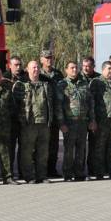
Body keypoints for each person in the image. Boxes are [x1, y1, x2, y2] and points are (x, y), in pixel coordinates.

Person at [14, 60, 54, 183]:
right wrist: (20, 121)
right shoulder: (21, 85)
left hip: (43, 124)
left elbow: (50, 103)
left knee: (43, 152)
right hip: (28, 124)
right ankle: (28, 176)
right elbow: (14, 104)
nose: (36, 69)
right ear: (28, 69)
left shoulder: (45, 84)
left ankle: (41, 176)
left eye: (37, 67)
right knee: (27, 151)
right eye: (33, 67)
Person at [55, 61, 96, 181]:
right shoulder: (62, 85)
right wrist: (61, 123)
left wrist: (92, 120)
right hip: (69, 122)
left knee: (81, 148)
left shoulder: (84, 84)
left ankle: (79, 172)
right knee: (69, 149)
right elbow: (58, 106)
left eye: (76, 68)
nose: (74, 70)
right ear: (66, 70)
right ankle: (67, 173)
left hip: (83, 122)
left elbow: (90, 103)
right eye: (71, 68)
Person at [89, 61, 111, 179]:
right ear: (103, 69)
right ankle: (99, 172)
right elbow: (91, 103)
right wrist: (93, 120)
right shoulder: (96, 83)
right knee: (100, 147)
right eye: (109, 69)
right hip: (101, 121)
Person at [39, 50, 64, 178]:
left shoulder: (58, 74)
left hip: (55, 113)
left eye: (50, 57)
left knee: (54, 143)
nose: (49, 59)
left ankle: (52, 169)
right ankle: (41, 170)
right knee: (42, 144)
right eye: (46, 57)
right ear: (41, 59)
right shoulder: (38, 73)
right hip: (42, 114)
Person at [2, 55, 25, 177]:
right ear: (9, 66)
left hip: (23, 119)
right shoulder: (3, 78)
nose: (18, 67)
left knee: (24, 148)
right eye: (15, 65)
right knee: (9, 147)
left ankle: (23, 172)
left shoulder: (25, 78)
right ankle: (8, 173)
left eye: (20, 65)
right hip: (9, 119)